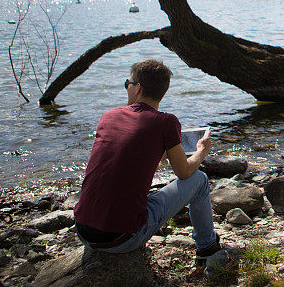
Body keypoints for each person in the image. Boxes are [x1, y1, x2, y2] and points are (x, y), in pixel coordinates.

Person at [74, 59, 225, 269]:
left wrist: (153, 154)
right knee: (199, 179)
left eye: (127, 83)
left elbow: (119, 163)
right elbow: (184, 172)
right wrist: (201, 152)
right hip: (122, 238)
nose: (127, 87)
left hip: (82, 229)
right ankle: (207, 247)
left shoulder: (108, 116)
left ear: (138, 89)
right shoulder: (166, 122)